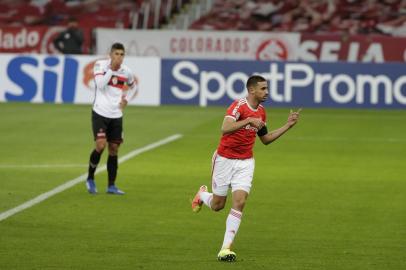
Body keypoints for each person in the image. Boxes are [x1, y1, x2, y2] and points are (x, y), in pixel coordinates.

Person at [191, 75, 301, 261]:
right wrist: (248, 120)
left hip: (245, 162)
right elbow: (225, 127)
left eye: (267, 88)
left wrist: (288, 126)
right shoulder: (238, 106)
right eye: (263, 89)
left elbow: (265, 139)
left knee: (240, 202)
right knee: (218, 205)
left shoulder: (262, 112)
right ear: (252, 90)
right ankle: (202, 195)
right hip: (224, 159)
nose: (267, 92)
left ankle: (225, 248)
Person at [86, 42, 137, 195]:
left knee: (114, 149)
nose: (119, 57)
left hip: (116, 115)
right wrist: (111, 70)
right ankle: (90, 178)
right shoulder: (100, 66)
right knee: (100, 145)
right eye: (117, 54)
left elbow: (133, 86)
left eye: (122, 55)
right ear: (110, 54)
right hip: (100, 113)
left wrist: (126, 98)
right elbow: (100, 85)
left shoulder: (127, 71)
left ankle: (111, 185)